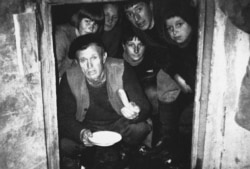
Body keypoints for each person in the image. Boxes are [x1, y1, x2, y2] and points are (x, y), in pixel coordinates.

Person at [57, 34, 152, 169]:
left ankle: (126, 150)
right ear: (77, 63)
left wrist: (135, 111)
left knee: (140, 128)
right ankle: (84, 157)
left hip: (118, 124)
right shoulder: (70, 77)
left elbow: (143, 105)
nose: (89, 66)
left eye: (94, 58)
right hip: (88, 127)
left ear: (104, 57)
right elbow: (63, 116)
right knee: (64, 144)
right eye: (83, 60)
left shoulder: (121, 68)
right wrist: (82, 133)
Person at [123, 0, 183, 153]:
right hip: (136, 112)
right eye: (130, 14)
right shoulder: (138, 32)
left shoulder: (168, 17)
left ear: (151, 5)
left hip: (187, 67)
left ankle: (168, 140)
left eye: (139, 9)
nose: (136, 17)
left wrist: (179, 76)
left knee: (162, 83)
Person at [161, 0, 198, 166]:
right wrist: (176, 76)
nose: (174, 31)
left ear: (190, 23)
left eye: (179, 24)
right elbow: (168, 63)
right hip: (188, 95)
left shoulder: (199, 44)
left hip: (201, 98)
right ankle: (172, 152)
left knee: (184, 120)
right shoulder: (174, 48)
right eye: (170, 28)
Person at [54, 4, 104, 78]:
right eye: (87, 22)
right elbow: (54, 73)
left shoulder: (89, 39)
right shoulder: (61, 36)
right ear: (78, 20)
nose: (91, 28)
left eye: (95, 24)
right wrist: (70, 58)